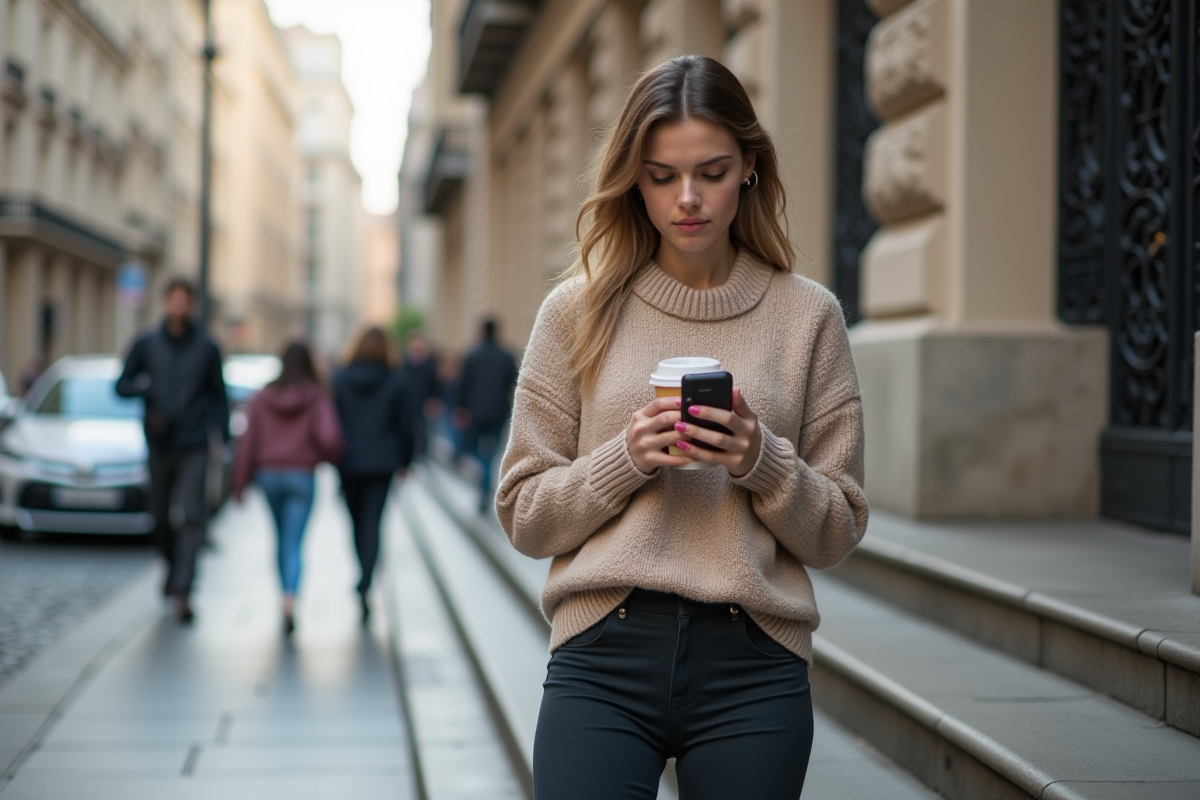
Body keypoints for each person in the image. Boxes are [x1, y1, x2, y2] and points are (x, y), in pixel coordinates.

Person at [496, 55, 868, 800]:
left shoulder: (808, 317)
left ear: (750, 169)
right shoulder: (575, 312)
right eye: (662, 175)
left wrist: (762, 461)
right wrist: (624, 459)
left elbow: (838, 528)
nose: (688, 198)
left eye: (712, 171)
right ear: (634, 178)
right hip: (603, 652)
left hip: (754, 664)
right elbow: (524, 518)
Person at [117, 277, 229, 624]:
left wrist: (221, 437)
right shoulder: (147, 343)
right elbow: (121, 384)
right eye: (174, 300)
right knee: (160, 516)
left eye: (185, 301)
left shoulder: (207, 347)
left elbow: (218, 395)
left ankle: (184, 588)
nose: (179, 306)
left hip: (193, 442)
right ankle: (171, 567)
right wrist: (145, 390)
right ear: (165, 303)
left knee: (192, 515)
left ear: (191, 305)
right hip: (159, 441)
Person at [232, 341, 343, 635]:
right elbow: (330, 438)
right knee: (295, 542)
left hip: (269, 475)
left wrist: (240, 484)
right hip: (301, 475)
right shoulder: (316, 396)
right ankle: (290, 599)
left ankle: (283, 595)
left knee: (280, 539)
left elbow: (247, 443)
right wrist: (321, 457)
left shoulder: (262, 397)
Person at [332, 327, 414, 624]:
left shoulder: (339, 380)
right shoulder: (395, 382)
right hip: (382, 464)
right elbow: (407, 427)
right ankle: (366, 580)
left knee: (356, 523)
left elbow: (333, 423)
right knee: (373, 523)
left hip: (348, 463)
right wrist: (406, 461)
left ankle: (363, 576)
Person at [454, 318, 517, 512]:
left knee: (478, 450)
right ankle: (486, 480)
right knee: (492, 451)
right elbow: (513, 383)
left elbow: (463, 384)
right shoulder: (506, 356)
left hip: (476, 412)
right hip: (498, 411)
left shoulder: (473, 355)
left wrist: (461, 407)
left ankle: (483, 481)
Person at [399, 330, 440, 463]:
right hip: (407, 404)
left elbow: (435, 385)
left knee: (424, 431)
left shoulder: (429, 364)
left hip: (424, 403)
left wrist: (434, 400)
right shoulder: (403, 364)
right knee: (408, 430)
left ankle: (422, 456)